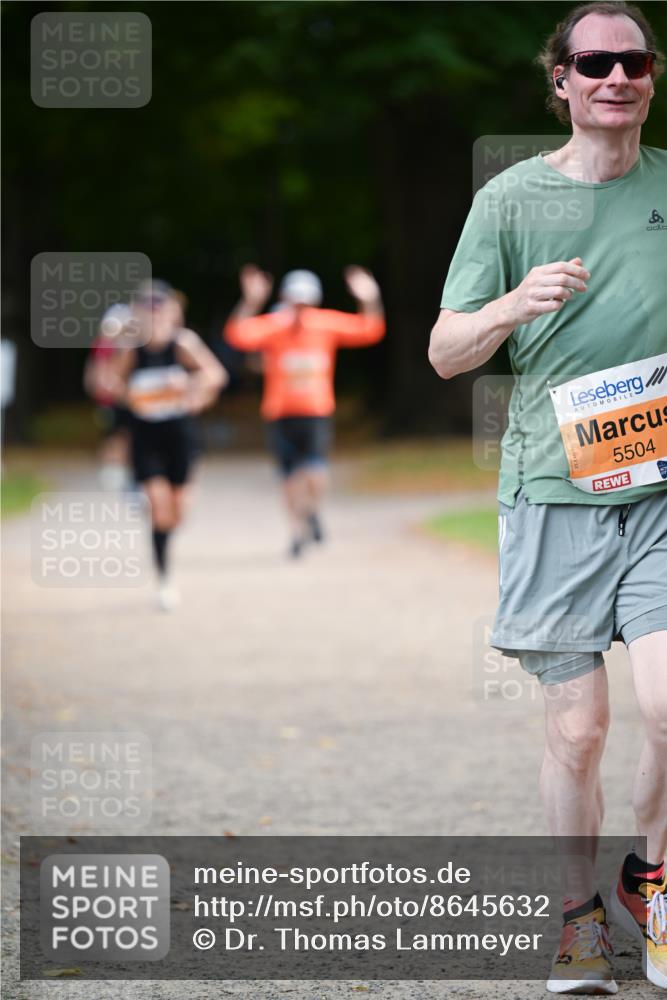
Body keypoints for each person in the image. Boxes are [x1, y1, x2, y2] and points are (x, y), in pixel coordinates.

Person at [428, 2, 666, 993]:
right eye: (593, 62)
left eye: (634, 60)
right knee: (578, 731)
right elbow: (445, 353)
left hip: (661, 491)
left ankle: (650, 887)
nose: (615, 76)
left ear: (650, 76)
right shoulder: (512, 202)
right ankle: (576, 916)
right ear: (560, 82)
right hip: (553, 493)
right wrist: (509, 306)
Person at [224, 265, 385, 557]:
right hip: (279, 412)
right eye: (295, 301)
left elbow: (370, 329)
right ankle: (297, 533)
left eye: (306, 301)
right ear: (286, 299)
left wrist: (369, 298)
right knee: (287, 477)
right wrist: (251, 301)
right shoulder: (275, 325)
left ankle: (311, 512)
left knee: (314, 474)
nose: (300, 308)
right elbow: (236, 334)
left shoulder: (324, 324)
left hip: (315, 410)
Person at [111, 281, 228, 610]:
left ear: (172, 311)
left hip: (181, 437)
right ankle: (164, 580)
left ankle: (165, 540)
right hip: (146, 438)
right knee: (159, 508)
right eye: (146, 308)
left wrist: (191, 385)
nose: (153, 314)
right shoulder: (131, 349)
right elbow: (113, 385)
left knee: (178, 513)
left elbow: (216, 375)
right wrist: (134, 394)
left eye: (159, 307)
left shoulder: (184, 343)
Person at [83, 303, 134, 491]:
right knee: (115, 436)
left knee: (122, 434)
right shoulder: (106, 346)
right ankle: (112, 471)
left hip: (121, 397)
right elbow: (99, 373)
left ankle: (118, 470)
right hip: (110, 398)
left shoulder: (123, 345)